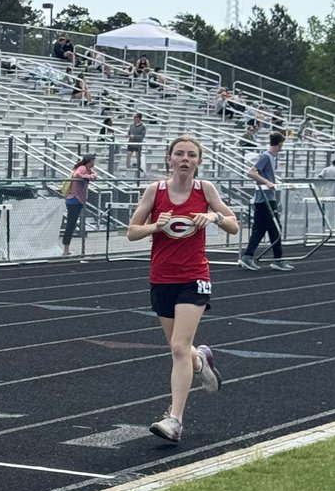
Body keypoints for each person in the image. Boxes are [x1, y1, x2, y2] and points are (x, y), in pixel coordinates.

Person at [126, 135, 238, 443]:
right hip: (162, 277)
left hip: (194, 275)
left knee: (177, 347)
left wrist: (213, 216)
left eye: (191, 154)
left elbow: (233, 223)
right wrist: (155, 226)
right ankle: (201, 362)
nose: (185, 159)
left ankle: (174, 420)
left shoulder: (205, 190)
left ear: (199, 161)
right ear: (170, 159)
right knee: (180, 348)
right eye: (180, 154)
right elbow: (131, 232)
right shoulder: (155, 191)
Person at [240, 132, 293, 271]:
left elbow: (266, 175)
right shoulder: (266, 156)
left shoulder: (272, 158)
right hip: (265, 199)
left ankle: (248, 256)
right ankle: (277, 259)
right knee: (275, 228)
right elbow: (251, 172)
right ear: (280, 144)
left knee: (261, 229)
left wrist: (277, 182)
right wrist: (268, 183)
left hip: (267, 198)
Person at [60, 153, 99, 256]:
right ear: (90, 161)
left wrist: (91, 176)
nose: (94, 163)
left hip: (78, 200)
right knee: (71, 224)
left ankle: (67, 248)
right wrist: (88, 177)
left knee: (72, 223)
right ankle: (65, 248)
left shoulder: (87, 169)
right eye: (93, 160)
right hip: (74, 199)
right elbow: (77, 175)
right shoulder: (82, 168)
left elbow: (95, 175)